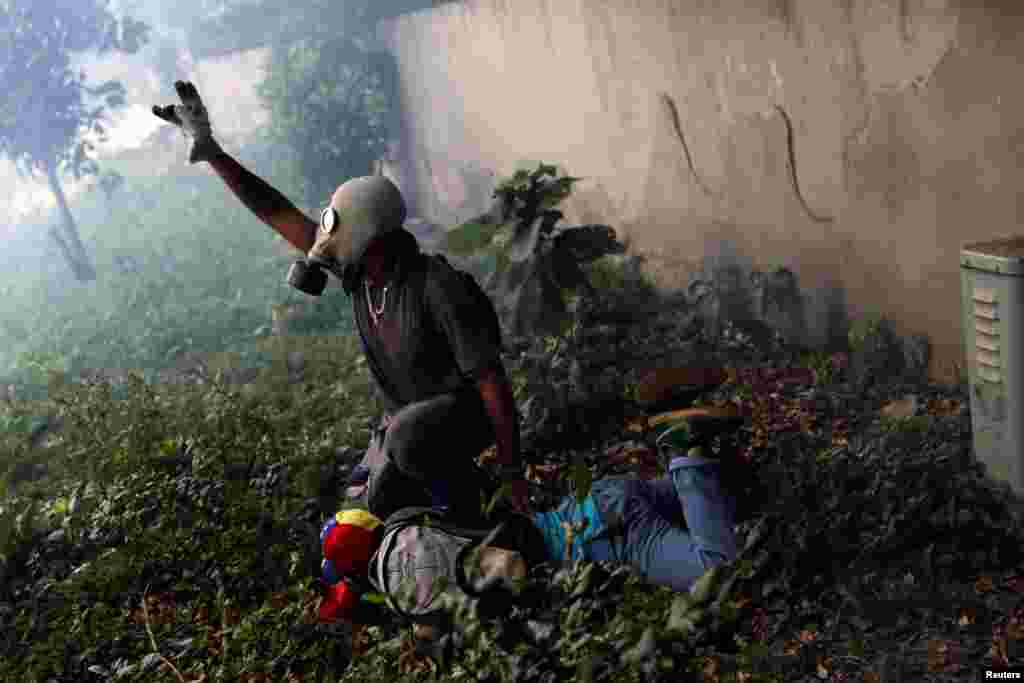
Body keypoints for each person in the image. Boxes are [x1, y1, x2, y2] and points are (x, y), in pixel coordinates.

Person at [152, 81, 529, 518]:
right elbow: (280, 213)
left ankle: (473, 506)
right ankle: (446, 508)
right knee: (369, 503)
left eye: (340, 232)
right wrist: (214, 154)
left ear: (374, 238)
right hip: (408, 424)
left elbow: (492, 384)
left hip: (463, 418)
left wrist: (513, 471)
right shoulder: (363, 277)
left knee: (407, 440)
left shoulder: (437, 286)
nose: (326, 243)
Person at [316, 412, 742, 652]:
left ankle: (685, 451)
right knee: (721, 504)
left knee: (719, 572)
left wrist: (525, 616)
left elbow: (511, 565)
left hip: (611, 534)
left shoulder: (417, 575)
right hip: (600, 503)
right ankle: (717, 466)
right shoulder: (407, 521)